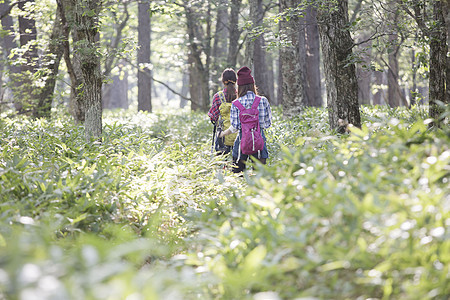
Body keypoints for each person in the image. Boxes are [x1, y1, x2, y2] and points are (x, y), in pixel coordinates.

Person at [218, 66, 272, 173]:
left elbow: (234, 127)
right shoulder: (263, 100)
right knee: (259, 175)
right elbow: (267, 124)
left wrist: (222, 134)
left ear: (240, 87)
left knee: (237, 174)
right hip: (259, 142)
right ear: (253, 85)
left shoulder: (236, 103)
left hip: (241, 144)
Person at [208, 68, 238, 155]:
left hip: (223, 135)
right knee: (238, 164)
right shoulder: (240, 95)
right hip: (239, 136)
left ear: (223, 81)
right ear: (235, 81)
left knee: (222, 161)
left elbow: (213, 117)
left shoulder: (218, 96)